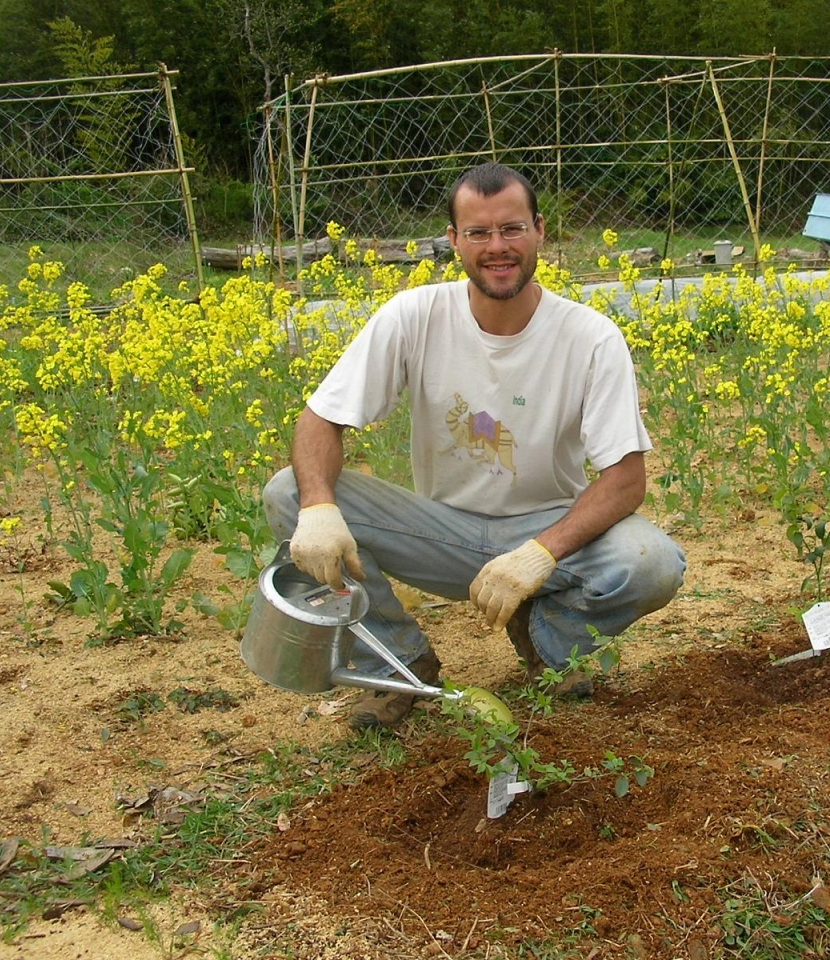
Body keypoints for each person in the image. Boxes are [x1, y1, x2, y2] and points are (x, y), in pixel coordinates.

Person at [263, 162, 687, 731]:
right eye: (479, 233)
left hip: (544, 532)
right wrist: (318, 507)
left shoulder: (589, 337)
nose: (497, 247)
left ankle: (545, 637)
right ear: (454, 241)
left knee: (652, 563)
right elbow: (320, 419)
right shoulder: (414, 316)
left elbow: (626, 479)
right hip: (440, 532)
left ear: (539, 230)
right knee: (291, 492)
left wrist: (541, 554)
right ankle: (401, 663)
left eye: (512, 229)